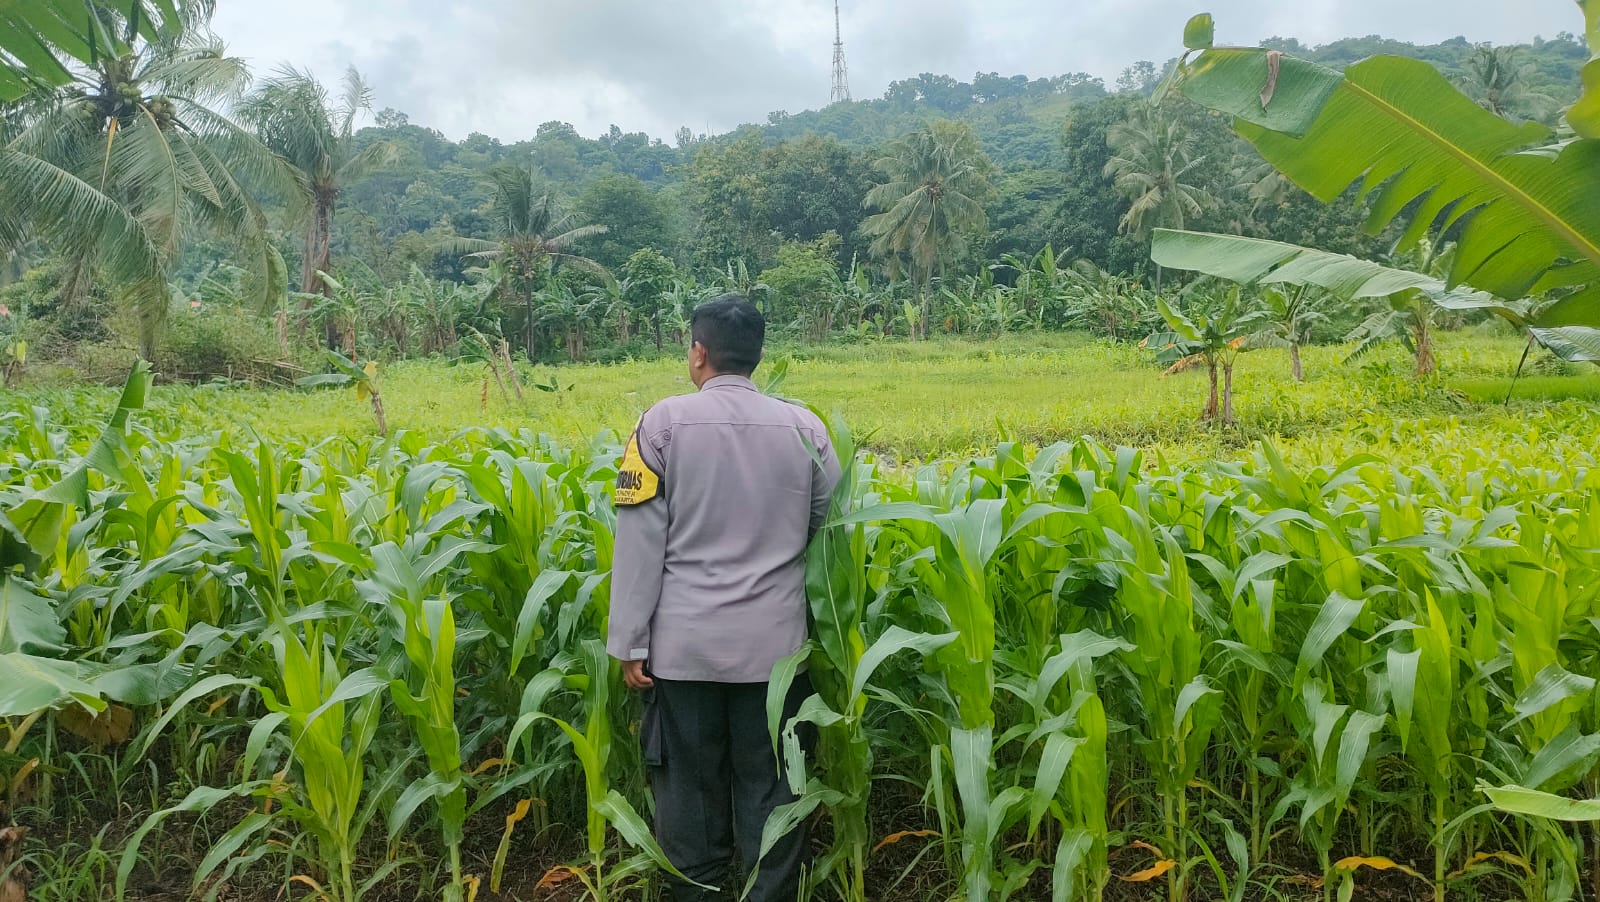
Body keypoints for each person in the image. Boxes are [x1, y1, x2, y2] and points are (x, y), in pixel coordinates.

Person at [607, 294, 841, 901]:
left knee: (688, 791)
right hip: (776, 654)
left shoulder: (659, 425)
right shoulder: (806, 429)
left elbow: (639, 541)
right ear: (757, 356)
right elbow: (827, 524)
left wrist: (629, 639)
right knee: (774, 787)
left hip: (684, 651)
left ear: (698, 353)